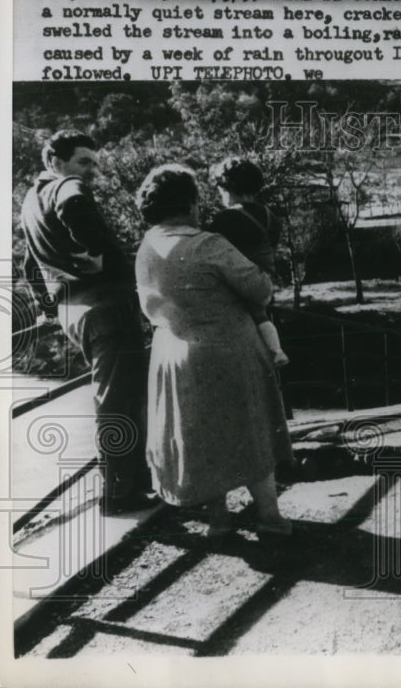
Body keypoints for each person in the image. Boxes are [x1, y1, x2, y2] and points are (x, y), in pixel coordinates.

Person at [134, 164, 292, 537]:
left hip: (173, 351)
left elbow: (148, 307)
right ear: (190, 204)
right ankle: (269, 516)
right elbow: (260, 289)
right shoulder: (207, 244)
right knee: (251, 430)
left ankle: (218, 519)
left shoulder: (147, 247)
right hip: (228, 349)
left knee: (202, 436)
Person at [21, 130, 153, 515]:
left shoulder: (30, 201)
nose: (90, 171)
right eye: (83, 162)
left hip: (74, 313)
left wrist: (47, 307)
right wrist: (96, 253)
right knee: (117, 403)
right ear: (54, 161)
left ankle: (134, 481)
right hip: (107, 308)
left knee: (118, 398)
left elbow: (31, 265)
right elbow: (76, 204)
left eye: (94, 163)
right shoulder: (67, 185)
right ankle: (116, 493)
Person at [206, 157, 288, 366]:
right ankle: (274, 349)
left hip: (240, 282)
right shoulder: (270, 216)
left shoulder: (226, 219)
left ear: (226, 189)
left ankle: (275, 352)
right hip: (266, 277)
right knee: (262, 317)